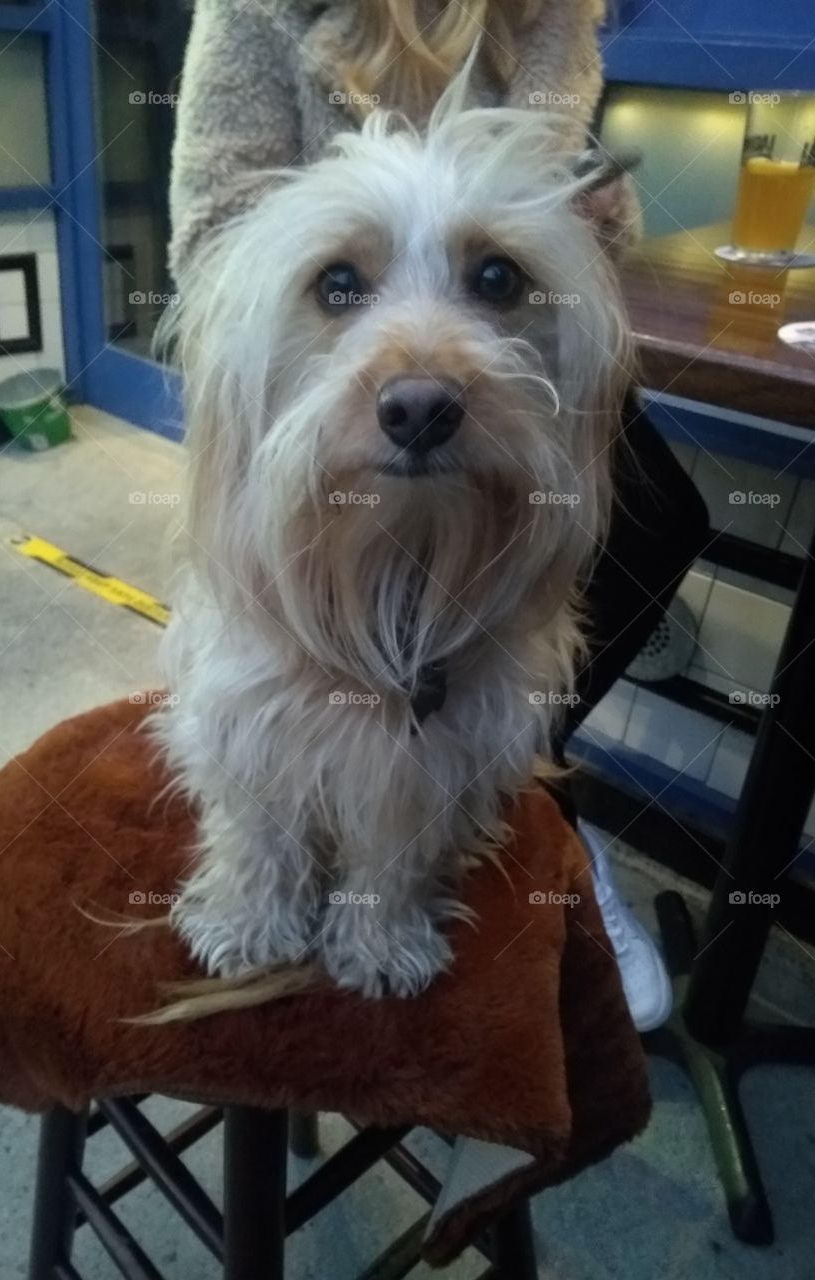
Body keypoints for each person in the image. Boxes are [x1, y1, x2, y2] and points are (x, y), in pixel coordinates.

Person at [167, 0, 709, 1030]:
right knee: (246, 703)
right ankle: (262, 874)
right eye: (345, 283)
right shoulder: (259, 9)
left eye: (490, 278)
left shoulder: (551, 14)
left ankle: (406, 882)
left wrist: (577, 235)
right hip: (293, 380)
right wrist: (323, 261)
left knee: (640, 520)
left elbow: (573, 228)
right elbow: (213, 239)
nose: (423, 381)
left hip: (515, 399)